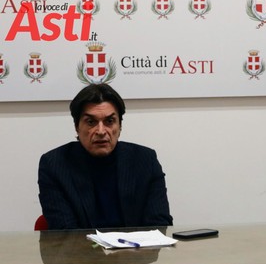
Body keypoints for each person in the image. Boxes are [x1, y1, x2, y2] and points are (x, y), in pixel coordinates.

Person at [38, 83, 173, 229]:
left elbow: (159, 225)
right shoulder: (54, 164)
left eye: (109, 121)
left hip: (135, 250)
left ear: (120, 126)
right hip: (80, 252)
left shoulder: (145, 160)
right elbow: (65, 233)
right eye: (91, 122)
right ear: (77, 127)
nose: (101, 131)